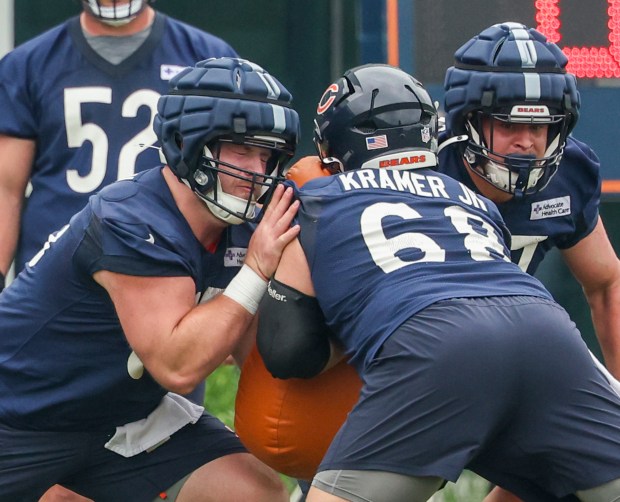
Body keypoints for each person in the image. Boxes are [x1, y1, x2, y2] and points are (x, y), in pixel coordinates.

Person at [256, 63, 620, 501]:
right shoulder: (474, 200)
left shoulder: (316, 200)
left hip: (434, 345)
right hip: (551, 334)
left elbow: (289, 350)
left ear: (331, 146)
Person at [0, 56, 300, 501]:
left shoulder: (248, 224)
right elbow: (177, 365)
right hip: (23, 417)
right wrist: (256, 271)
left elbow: (257, 359)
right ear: (187, 141)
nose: (257, 172)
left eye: (267, 154)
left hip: (126, 418)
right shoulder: (131, 219)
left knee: (252, 491)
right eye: (241, 149)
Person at [0, 0, 238, 289]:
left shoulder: (208, 59)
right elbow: (6, 190)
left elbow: (231, 174)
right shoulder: (28, 64)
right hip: (57, 268)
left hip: (168, 263)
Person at [439, 21, 620, 379]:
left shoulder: (570, 173)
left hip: (511, 352)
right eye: (508, 125)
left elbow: (605, 284)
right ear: (470, 122)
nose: (526, 143)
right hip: (427, 350)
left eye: (537, 127)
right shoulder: (426, 166)